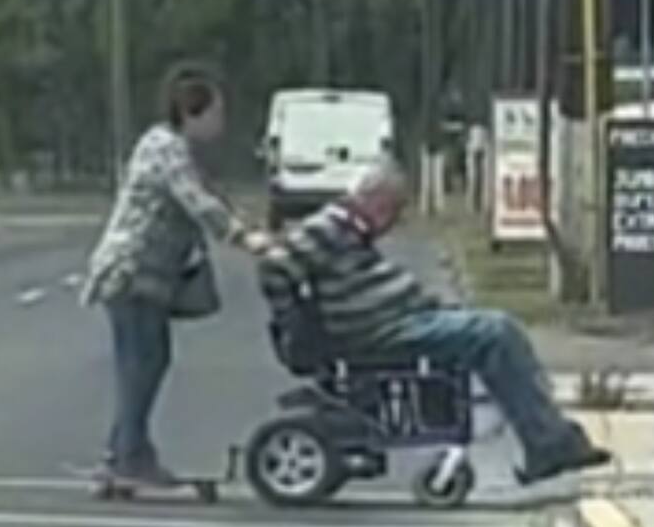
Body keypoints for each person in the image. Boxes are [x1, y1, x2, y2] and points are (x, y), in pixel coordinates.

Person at [258, 160, 611, 485]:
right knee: (497, 333)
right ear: (378, 202)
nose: (395, 221)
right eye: (394, 210)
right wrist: (291, 319)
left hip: (398, 320)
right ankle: (548, 443)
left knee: (495, 329)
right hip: (378, 332)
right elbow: (275, 265)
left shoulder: (351, 229)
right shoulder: (327, 228)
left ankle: (547, 435)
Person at [81, 60, 269, 485]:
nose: (221, 123)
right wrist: (244, 239)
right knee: (141, 364)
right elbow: (196, 202)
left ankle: (125, 451)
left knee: (146, 363)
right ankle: (128, 457)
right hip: (130, 271)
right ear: (191, 113)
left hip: (147, 276)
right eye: (216, 113)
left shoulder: (178, 150)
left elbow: (213, 196)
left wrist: (251, 225)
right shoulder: (164, 147)